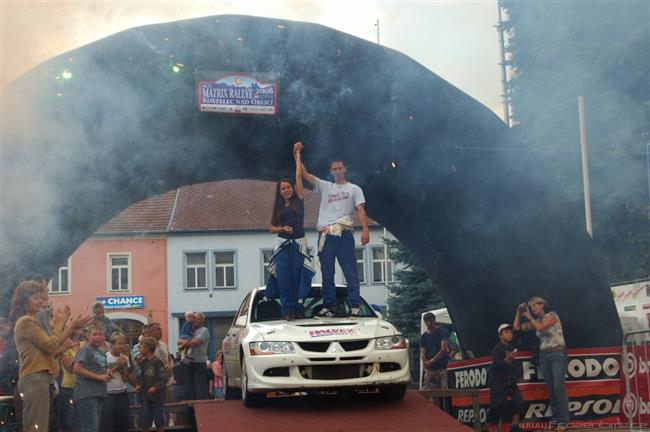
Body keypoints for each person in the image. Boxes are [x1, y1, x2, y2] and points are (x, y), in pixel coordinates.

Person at [294, 141, 370, 318]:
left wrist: (365, 230)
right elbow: (303, 174)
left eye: (340, 168)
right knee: (327, 272)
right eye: (334, 169)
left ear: (345, 169)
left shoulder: (354, 189)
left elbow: (361, 209)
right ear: (331, 172)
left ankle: (355, 305)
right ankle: (328, 305)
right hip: (326, 233)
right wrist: (297, 154)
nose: (337, 171)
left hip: (344, 233)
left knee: (350, 270)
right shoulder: (326, 186)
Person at [10, 280, 89, 432]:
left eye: (41, 298)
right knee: (36, 426)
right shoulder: (26, 321)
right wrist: (62, 324)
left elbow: (51, 347)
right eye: (35, 297)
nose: (41, 301)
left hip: (39, 378)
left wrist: (69, 326)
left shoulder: (31, 321)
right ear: (24, 301)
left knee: (40, 425)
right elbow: (52, 346)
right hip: (34, 378)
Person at [264, 145, 315, 320]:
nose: (286, 190)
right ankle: (287, 311)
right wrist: (282, 229)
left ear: (292, 188)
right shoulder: (278, 206)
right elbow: (271, 228)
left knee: (298, 276)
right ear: (280, 191)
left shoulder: (299, 200)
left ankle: (299, 308)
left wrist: (297, 155)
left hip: (299, 244)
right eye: (283, 188)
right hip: (283, 245)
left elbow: (299, 176)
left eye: (288, 187)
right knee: (284, 278)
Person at [514, 297, 569, 432]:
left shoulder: (552, 315)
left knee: (558, 388)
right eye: (531, 307)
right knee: (551, 389)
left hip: (557, 354)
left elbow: (543, 328)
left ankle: (563, 422)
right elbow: (516, 327)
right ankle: (555, 419)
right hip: (544, 355)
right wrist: (518, 312)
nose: (533, 309)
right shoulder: (536, 321)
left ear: (542, 305)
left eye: (535, 306)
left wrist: (529, 317)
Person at [73, 323, 110, 432]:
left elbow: (100, 370)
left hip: (99, 393)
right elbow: (77, 369)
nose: (98, 337)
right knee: (90, 428)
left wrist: (107, 375)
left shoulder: (101, 352)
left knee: (95, 427)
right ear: (88, 337)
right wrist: (98, 377)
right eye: (95, 334)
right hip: (87, 394)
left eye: (101, 334)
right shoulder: (85, 350)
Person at [486, 324, 523, 432]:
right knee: (496, 406)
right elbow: (496, 365)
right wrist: (508, 359)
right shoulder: (497, 349)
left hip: (510, 381)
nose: (509, 334)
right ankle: (489, 428)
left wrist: (516, 375)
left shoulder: (511, 348)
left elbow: (515, 364)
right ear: (500, 335)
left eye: (511, 332)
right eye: (506, 332)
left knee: (519, 402)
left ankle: (514, 426)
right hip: (498, 381)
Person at [101, 331, 130, 432]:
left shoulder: (125, 358)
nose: (122, 346)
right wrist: (117, 365)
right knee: (107, 424)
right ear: (112, 344)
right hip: (109, 394)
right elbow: (106, 376)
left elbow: (126, 379)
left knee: (122, 424)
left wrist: (125, 365)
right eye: (119, 344)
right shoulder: (105, 357)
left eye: (123, 343)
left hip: (122, 393)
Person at [137, 337, 168, 432]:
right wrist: (139, 387)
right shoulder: (143, 363)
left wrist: (156, 387)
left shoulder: (157, 362)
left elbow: (164, 378)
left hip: (157, 398)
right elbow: (142, 379)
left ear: (147, 348)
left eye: (141, 347)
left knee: (159, 422)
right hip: (146, 397)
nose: (140, 349)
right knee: (145, 422)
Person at [177, 312, 209, 400]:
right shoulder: (189, 329)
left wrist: (184, 344)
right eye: (194, 318)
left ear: (202, 321)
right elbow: (178, 341)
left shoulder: (204, 330)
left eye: (197, 319)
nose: (194, 320)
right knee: (188, 387)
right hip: (188, 363)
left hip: (199, 362)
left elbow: (194, 343)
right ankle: (190, 408)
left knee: (200, 388)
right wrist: (185, 343)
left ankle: (202, 408)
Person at [58, 327, 83, 432]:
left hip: (83, 387)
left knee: (81, 419)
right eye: (79, 328)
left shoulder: (84, 344)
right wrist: (78, 353)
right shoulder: (65, 347)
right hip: (69, 387)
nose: (82, 330)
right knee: (70, 419)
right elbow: (70, 368)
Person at [420, 312, 449, 389]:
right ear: (425, 322)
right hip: (430, 370)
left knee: (444, 392)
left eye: (431, 321)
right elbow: (423, 352)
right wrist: (428, 366)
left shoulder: (441, 332)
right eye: (427, 321)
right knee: (431, 394)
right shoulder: (423, 336)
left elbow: (444, 349)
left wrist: (431, 361)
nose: (429, 323)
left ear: (434, 321)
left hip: (442, 368)